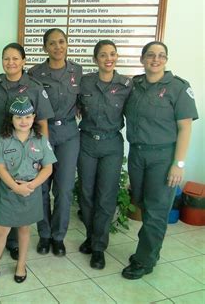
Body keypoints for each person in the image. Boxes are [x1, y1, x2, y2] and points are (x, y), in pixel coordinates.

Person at [122, 41, 198, 279]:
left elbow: (185, 128)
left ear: (166, 59)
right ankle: (149, 252)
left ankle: (144, 261)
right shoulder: (134, 85)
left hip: (163, 157)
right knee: (142, 203)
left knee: (156, 210)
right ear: (143, 59)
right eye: (151, 55)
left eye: (161, 55)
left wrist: (179, 164)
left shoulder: (178, 88)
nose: (156, 59)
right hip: (137, 154)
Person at [0, 97, 56, 284]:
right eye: (19, 118)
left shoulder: (41, 140)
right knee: (1, 229)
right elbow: (0, 168)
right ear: (11, 119)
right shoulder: (3, 140)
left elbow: (48, 168)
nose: (23, 121)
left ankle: (21, 265)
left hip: (31, 190)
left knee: (24, 229)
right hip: (10, 191)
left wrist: (31, 186)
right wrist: (16, 187)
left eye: (28, 117)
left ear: (34, 117)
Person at [0, 43, 54, 260]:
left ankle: (13, 243)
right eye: (6, 58)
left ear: (23, 61)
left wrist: (42, 154)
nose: (10, 62)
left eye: (15, 58)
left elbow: (41, 122)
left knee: (19, 193)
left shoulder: (34, 86)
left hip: (26, 147)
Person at [77, 40, 132, 269]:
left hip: (112, 144)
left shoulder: (127, 85)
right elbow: (74, 105)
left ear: (116, 57)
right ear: (95, 59)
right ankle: (91, 236)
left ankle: (99, 247)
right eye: (102, 55)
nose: (108, 58)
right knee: (87, 193)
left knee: (106, 196)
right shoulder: (85, 82)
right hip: (87, 142)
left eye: (112, 54)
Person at [28, 28, 82, 256]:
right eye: (52, 43)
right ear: (45, 48)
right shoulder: (34, 73)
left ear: (67, 44)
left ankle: (58, 237)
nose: (57, 47)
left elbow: (82, 100)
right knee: (41, 187)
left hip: (69, 134)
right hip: (42, 133)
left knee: (64, 189)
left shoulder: (77, 72)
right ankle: (44, 235)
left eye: (61, 42)